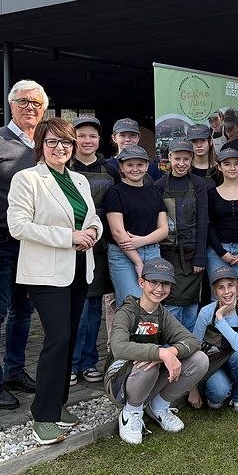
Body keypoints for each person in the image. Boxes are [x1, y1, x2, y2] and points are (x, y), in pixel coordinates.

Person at [7, 117, 104, 445]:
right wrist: (69, 237)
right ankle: (43, 416)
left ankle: (57, 404)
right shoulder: (27, 179)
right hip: (46, 273)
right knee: (58, 338)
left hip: (78, 269)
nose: (60, 148)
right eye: (52, 142)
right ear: (41, 146)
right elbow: (18, 226)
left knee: (71, 335)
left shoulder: (79, 180)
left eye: (66, 142)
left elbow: (92, 217)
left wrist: (92, 232)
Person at [0, 79, 46, 410]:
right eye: (23, 102)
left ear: (44, 107)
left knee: (23, 309)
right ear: (10, 105)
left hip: (32, 244)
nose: (30, 107)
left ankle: (14, 371)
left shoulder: (45, 145)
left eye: (36, 103)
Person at [104, 258, 210, 445]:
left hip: (148, 375)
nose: (159, 289)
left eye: (165, 284)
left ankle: (159, 405)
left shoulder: (162, 314)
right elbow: (118, 347)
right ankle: (131, 412)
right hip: (119, 380)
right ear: (142, 282)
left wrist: (172, 352)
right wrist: (160, 353)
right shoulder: (127, 311)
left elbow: (192, 341)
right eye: (154, 282)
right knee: (149, 364)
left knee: (200, 360)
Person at [69, 115, 115, 385]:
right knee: (78, 307)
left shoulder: (111, 169)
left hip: (102, 248)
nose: (87, 140)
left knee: (94, 306)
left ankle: (88, 362)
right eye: (82, 135)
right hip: (72, 246)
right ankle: (72, 363)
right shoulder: (64, 167)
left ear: (100, 140)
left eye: (92, 136)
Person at [154, 139, 209, 331]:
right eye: (177, 158)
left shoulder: (199, 184)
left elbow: (203, 221)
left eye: (186, 159)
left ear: (192, 159)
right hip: (168, 251)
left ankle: (190, 345)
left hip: (193, 251)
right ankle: (172, 345)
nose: (181, 163)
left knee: (192, 303)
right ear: (169, 158)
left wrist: (200, 256)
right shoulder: (159, 185)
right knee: (172, 302)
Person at [190, 265, 238, 412]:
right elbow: (194, 346)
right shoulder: (206, 312)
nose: (227, 292)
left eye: (231, 285)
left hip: (235, 357)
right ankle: (219, 388)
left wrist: (220, 318)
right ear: (215, 291)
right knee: (218, 393)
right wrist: (192, 388)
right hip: (213, 359)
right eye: (221, 288)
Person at [104, 145, 169, 306]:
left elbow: (163, 229)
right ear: (121, 167)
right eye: (130, 165)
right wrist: (138, 262)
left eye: (140, 165)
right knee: (131, 304)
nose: (135, 169)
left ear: (147, 166)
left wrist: (142, 240)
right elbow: (118, 232)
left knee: (152, 304)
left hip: (152, 252)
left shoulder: (154, 193)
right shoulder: (115, 193)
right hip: (123, 254)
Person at [206, 146, 238, 303]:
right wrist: (222, 253)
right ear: (219, 167)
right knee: (218, 298)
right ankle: (219, 328)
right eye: (227, 164)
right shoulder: (212, 193)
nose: (232, 168)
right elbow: (208, 226)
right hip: (217, 252)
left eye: (236, 163)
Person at [104, 117, 161, 182]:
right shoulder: (106, 165)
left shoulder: (151, 167)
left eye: (132, 135)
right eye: (122, 135)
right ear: (114, 138)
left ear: (138, 138)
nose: (128, 139)